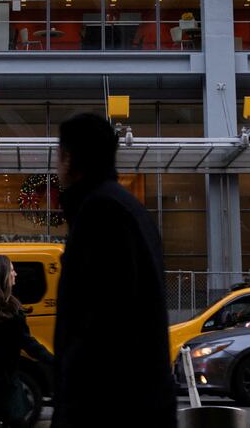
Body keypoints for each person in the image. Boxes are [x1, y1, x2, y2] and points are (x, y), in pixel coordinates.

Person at [51, 113, 177, 428]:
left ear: (68, 159)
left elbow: (99, 326)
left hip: (108, 408)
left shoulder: (100, 213)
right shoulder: (131, 210)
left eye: (58, 156)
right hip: (138, 403)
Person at [0, 255, 54, 428]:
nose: (15, 274)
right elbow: (28, 344)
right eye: (12, 270)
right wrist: (54, 360)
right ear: (3, 276)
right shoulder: (11, 309)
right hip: (5, 384)